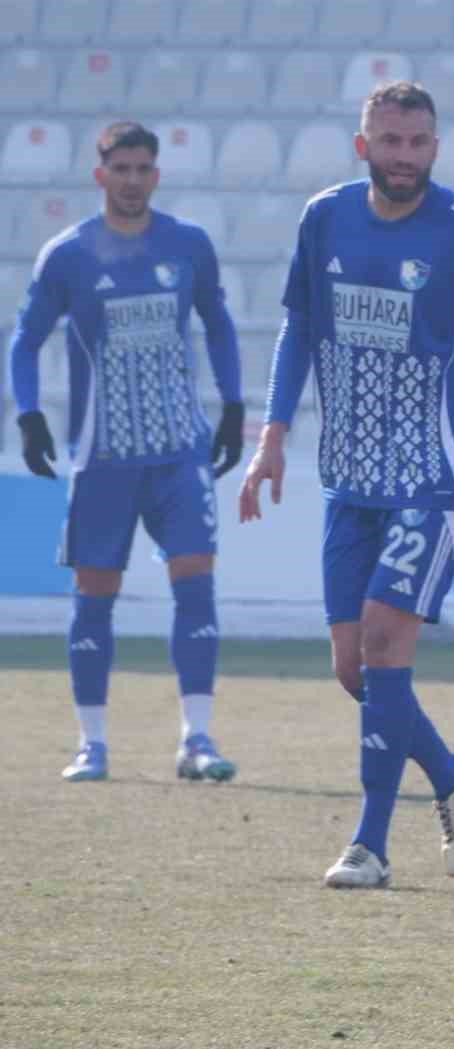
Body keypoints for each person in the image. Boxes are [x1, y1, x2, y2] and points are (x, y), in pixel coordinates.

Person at [237, 82, 454, 889]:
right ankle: (449, 773)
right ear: (363, 145)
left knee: (384, 640)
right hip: (348, 479)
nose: (403, 156)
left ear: (434, 149)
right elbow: (298, 327)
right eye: (390, 141)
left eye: (417, 143)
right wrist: (272, 439)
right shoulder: (324, 219)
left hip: (431, 477)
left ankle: (370, 845)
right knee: (355, 669)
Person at [7, 120, 245, 783]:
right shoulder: (70, 253)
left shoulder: (187, 245)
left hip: (178, 451)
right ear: (100, 173)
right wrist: (29, 415)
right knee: (93, 594)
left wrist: (233, 405)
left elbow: (218, 321)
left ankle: (197, 738)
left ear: (156, 174)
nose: (133, 180)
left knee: (196, 581)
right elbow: (24, 340)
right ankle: (93, 743)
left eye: (144, 168)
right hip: (103, 456)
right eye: (122, 168)